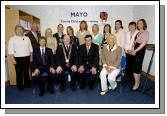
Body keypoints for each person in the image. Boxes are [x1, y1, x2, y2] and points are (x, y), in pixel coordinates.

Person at [8, 24, 33, 90]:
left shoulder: (27, 38)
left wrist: (31, 57)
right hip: (17, 58)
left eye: (21, 29)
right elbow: (10, 51)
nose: (20, 30)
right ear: (15, 31)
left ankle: (27, 84)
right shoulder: (12, 39)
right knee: (19, 72)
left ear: (23, 30)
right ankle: (20, 86)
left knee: (26, 72)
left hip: (27, 57)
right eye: (18, 29)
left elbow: (30, 49)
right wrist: (12, 59)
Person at [130, 19, 149, 91]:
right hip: (135, 50)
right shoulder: (138, 32)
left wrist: (135, 50)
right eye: (138, 23)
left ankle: (137, 84)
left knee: (135, 68)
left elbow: (143, 44)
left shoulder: (146, 33)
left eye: (141, 23)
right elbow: (134, 42)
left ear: (144, 24)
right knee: (137, 67)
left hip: (140, 51)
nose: (139, 24)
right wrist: (132, 49)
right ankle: (138, 82)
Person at [125, 22, 139, 86]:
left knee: (134, 67)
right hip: (127, 52)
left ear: (135, 26)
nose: (131, 27)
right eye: (130, 26)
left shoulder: (138, 33)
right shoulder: (127, 33)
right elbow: (125, 42)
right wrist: (127, 50)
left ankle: (133, 80)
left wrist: (132, 50)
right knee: (128, 66)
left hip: (134, 52)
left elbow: (136, 44)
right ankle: (128, 78)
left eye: (133, 26)